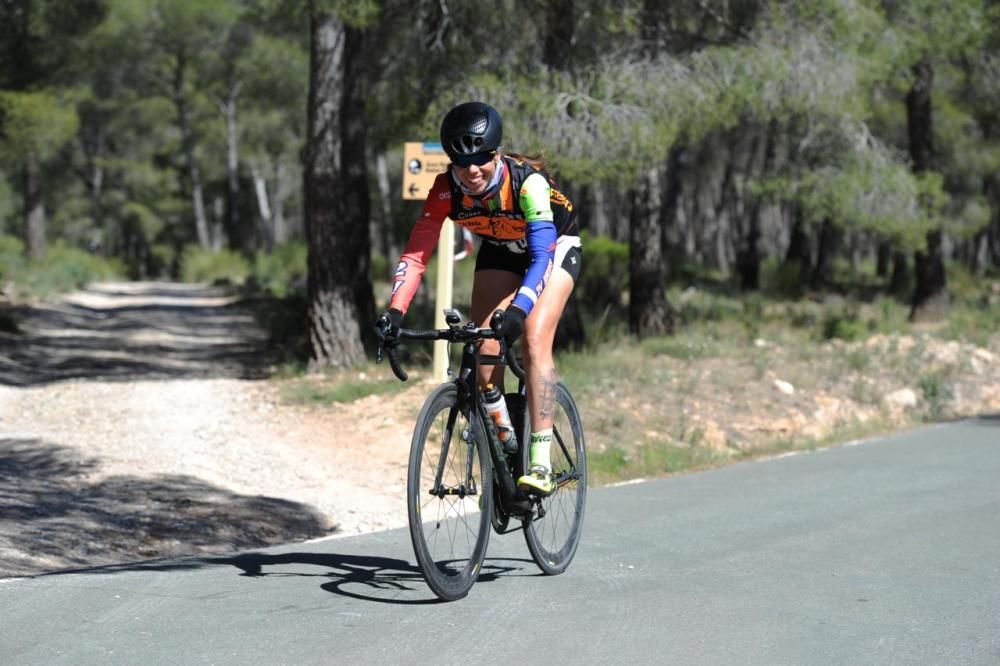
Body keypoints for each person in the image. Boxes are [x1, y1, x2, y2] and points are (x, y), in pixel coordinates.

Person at [375, 101, 581, 496]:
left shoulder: (527, 183)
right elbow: (417, 254)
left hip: (552, 248)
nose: (471, 171)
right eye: (460, 161)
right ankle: (507, 449)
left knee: (535, 336)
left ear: (496, 154)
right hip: (501, 249)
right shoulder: (445, 189)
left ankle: (538, 460)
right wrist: (395, 311)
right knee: (484, 357)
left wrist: (520, 309)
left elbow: (541, 257)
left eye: (481, 160)